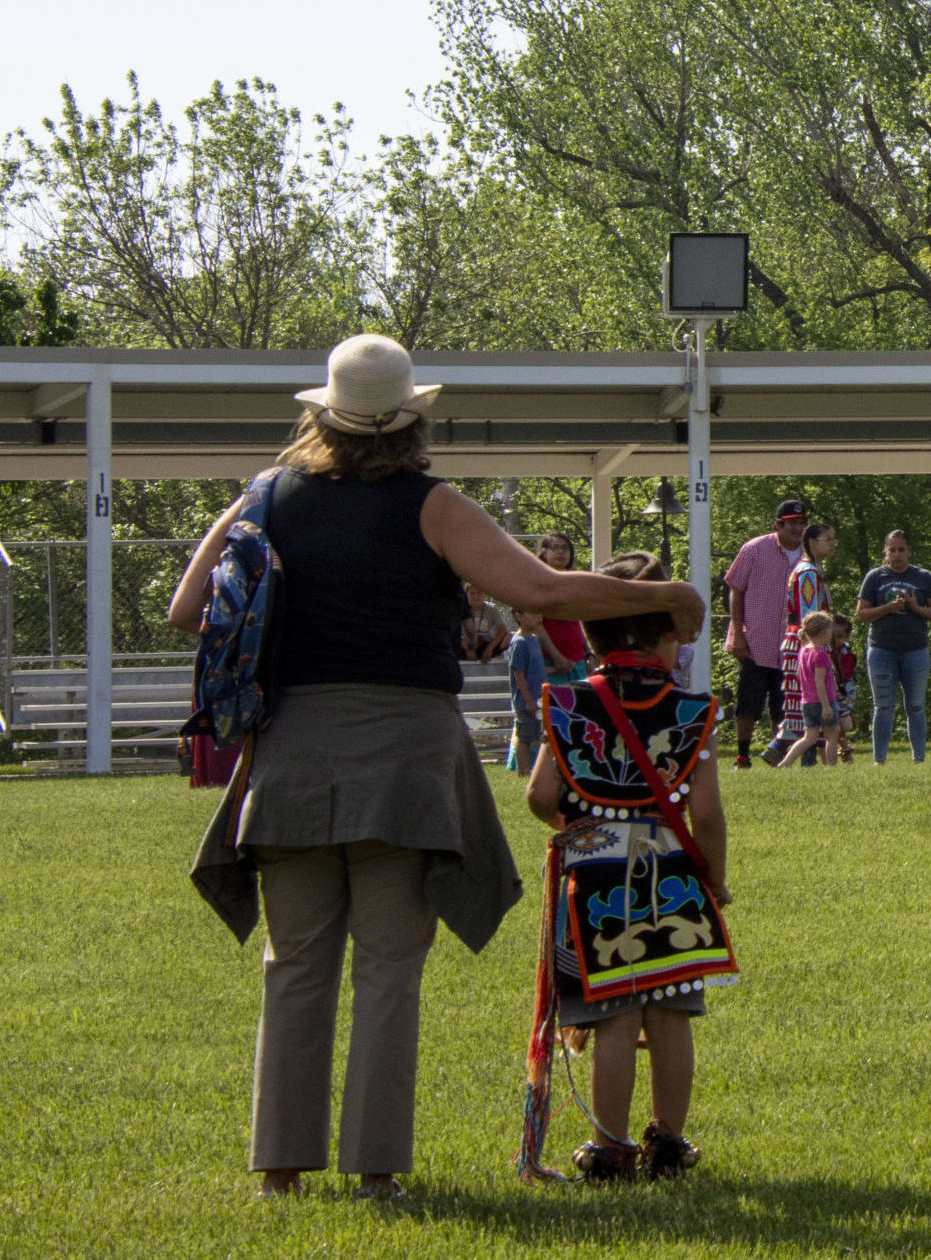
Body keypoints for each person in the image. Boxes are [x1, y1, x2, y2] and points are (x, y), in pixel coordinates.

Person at [168, 333, 703, 1200]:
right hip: (404, 757)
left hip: (291, 754)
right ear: (412, 418)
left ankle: (279, 1175)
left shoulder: (262, 498)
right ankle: (376, 1173)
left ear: (325, 416)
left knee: (294, 964)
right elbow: (544, 592)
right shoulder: (432, 505)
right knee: (387, 967)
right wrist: (664, 599)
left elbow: (189, 607)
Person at [522, 552, 733, 1182]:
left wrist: (579, 830)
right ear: (661, 637)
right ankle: (667, 1145)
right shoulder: (693, 712)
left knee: (613, 1014)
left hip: (595, 878)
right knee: (670, 1009)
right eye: (673, 636)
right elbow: (709, 815)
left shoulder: (566, 705)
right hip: (672, 877)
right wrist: (715, 880)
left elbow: (538, 795)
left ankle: (608, 1150)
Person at [721, 499, 811, 767]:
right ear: (778, 524)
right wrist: (738, 633)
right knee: (748, 703)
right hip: (755, 641)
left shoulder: (810, 555)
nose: (797, 528)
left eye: (801, 523)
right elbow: (735, 589)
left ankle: (779, 756)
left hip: (793, 644)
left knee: (784, 703)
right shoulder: (754, 549)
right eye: (792, 523)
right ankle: (742, 755)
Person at [856, 529, 931, 765]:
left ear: (909, 551)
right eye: (892, 550)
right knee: (883, 707)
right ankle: (879, 760)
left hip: (915, 650)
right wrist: (887, 608)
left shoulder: (924, 577)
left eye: (901, 549)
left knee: (915, 706)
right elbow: (861, 614)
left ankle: (918, 758)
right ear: (886, 551)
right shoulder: (875, 577)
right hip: (881, 650)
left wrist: (915, 608)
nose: (896, 554)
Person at [764, 521, 838, 765]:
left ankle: (801, 758)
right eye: (828, 539)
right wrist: (815, 645)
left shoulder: (812, 569)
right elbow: (810, 616)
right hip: (805, 643)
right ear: (813, 542)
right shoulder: (808, 572)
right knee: (807, 704)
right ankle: (779, 750)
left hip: (806, 642)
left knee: (807, 705)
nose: (833, 543)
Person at [771, 611, 842, 769]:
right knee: (831, 735)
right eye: (830, 630)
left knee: (809, 737)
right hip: (823, 701)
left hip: (807, 702)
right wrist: (826, 705)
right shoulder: (821, 654)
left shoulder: (803, 651)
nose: (831, 634)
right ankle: (832, 767)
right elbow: (820, 681)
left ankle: (785, 763)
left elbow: (799, 674)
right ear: (823, 631)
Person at [533, 533, 592, 685]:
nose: (560, 552)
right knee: (553, 708)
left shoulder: (575, 581)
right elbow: (535, 625)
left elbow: (581, 621)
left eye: (565, 548)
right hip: (550, 663)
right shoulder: (538, 581)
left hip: (577, 662)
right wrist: (557, 657)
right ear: (544, 552)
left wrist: (589, 654)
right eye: (555, 547)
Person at [505, 611, 548, 773]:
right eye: (533, 613)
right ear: (519, 616)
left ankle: (537, 771)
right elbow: (519, 673)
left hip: (540, 699)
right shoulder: (519, 642)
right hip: (526, 702)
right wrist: (528, 700)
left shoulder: (534, 640)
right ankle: (523, 771)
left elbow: (536, 668)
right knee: (525, 738)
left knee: (539, 736)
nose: (539, 616)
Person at [829, 613, 859, 764]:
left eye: (839, 636)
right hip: (828, 692)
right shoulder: (824, 650)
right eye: (831, 635)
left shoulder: (846, 655)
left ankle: (846, 753)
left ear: (846, 636)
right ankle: (840, 751)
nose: (835, 640)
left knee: (839, 723)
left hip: (842, 694)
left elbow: (844, 676)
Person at [459, 582, 515, 661]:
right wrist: (468, 650)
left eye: (479, 593)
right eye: (472, 593)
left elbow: (502, 630)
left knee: (511, 636)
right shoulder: (461, 609)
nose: (476, 596)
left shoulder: (491, 608)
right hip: (466, 644)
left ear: (485, 594)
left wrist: (490, 648)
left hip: (486, 644)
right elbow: (455, 632)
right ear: (466, 595)